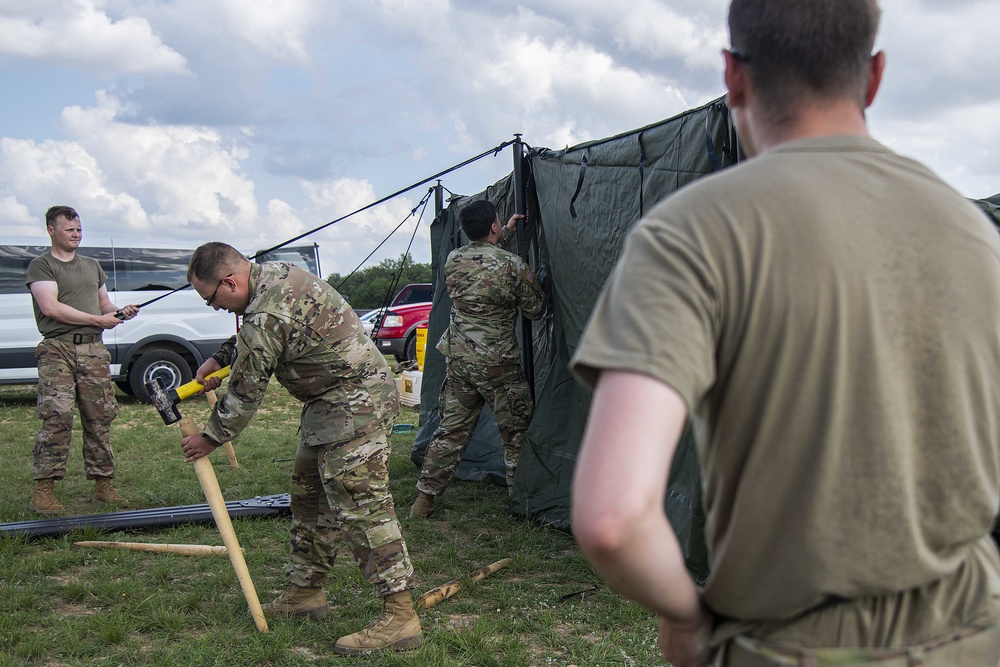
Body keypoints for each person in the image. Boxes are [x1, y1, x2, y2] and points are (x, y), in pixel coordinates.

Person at [569, 1, 1000, 666]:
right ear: (875, 76)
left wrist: (686, 617)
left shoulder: (690, 234)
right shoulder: (974, 232)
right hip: (976, 631)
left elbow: (613, 518)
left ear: (733, 76)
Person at [180, 242, 421, 655]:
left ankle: (400, 617)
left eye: (211, 299)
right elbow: (258, 335)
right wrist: (221, 356)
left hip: (355, 402)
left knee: (362, 506)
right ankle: (306, 593)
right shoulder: (271, 278)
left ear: (230, 281)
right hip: (329, 404)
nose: (215, 308)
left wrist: (211, 436)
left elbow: (246, 390)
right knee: (309, 497)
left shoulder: (266, 310)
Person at [409, 199, 545, 519]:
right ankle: (519, 503)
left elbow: (482, 261)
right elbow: (535, 309)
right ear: (494, 226)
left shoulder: (454, 260)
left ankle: (423, 500)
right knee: (515, 435)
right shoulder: (512, 266)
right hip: (499, 366)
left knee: (451, 433)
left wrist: (505, 235)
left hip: (460, 362)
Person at [26, 205, 139, 514]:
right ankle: (44, 491)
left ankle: (103, 486)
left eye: (78, 229)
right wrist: (96, 319)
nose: (76, 234)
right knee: (58, 416)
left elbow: (104, 304)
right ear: (51, 230)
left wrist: (118, 313)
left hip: (93, 350)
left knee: (100, 417)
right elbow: (50, 307)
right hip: (58, 349)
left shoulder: (91, 265)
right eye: (69, 229)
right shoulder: (42, 265)